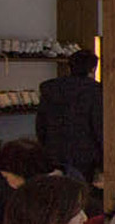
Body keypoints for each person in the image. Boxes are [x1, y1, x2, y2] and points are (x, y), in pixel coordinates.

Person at [36, 49, 105, 182]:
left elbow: (41, 124)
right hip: (86, 155)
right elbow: (98, 126)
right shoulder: (96, 90)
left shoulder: (50, 88)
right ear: (93, 68)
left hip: (53, 151)